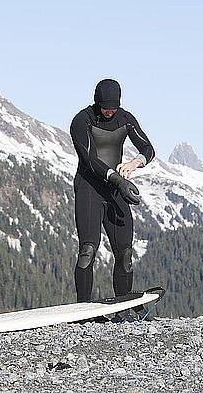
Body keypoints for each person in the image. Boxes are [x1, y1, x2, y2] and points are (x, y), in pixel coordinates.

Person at [69, 79, 155, 321]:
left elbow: (148, 148)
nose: (110, 112)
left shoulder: (124, 118)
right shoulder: (81, 120)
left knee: (125, 251)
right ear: (97, 103)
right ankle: (82, 312)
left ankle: (123, 309)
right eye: (106, 107)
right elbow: (90, 159)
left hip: (116, 189)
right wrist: (118, 180)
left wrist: (134, 162)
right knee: (87, 250)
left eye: (114, 107)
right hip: (89, 188)